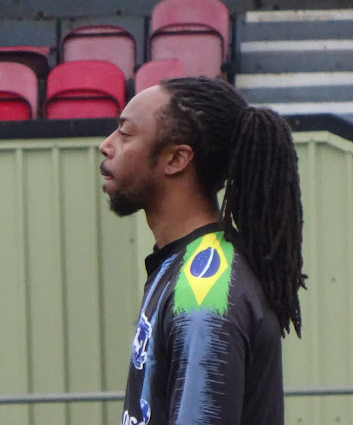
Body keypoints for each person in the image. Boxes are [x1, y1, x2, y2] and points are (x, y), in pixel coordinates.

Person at [99, 77, 307, 425]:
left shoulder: (203, 293)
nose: (106, 145)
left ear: (176, 159)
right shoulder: (177, 264)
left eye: (125, 133)